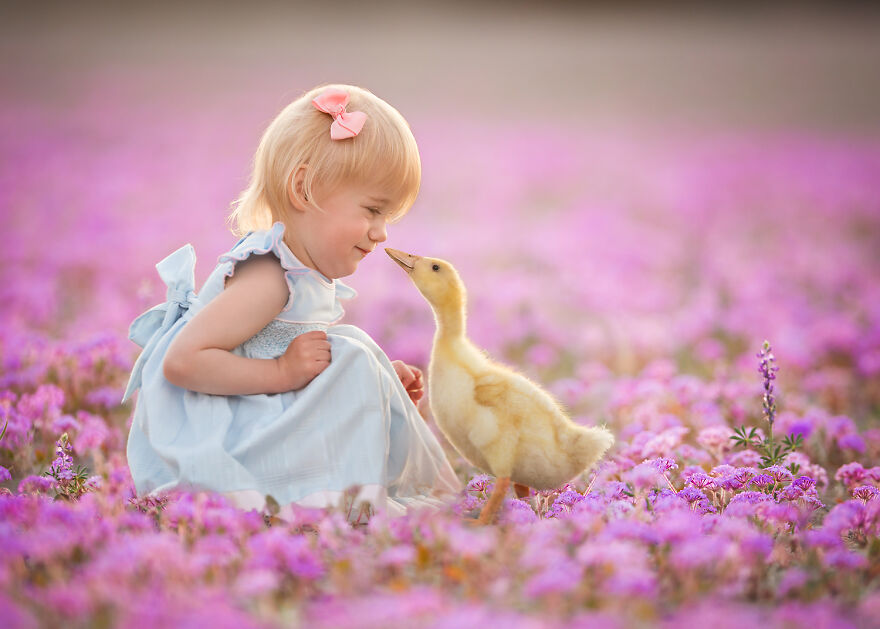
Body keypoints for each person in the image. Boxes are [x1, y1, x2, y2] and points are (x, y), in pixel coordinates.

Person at [122, 84, 462, 522]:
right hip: (228, 448)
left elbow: (308, 377)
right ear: (304, 189)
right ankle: (335, 506)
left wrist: (377, 387)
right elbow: (182, 362)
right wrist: (281, 372)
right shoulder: (269, 278)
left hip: (261, 421)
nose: (381, 234)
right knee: (351, 351)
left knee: (354, 355)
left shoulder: (300, 274)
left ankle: (349, 493)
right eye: (373, 210)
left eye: (388, 218)